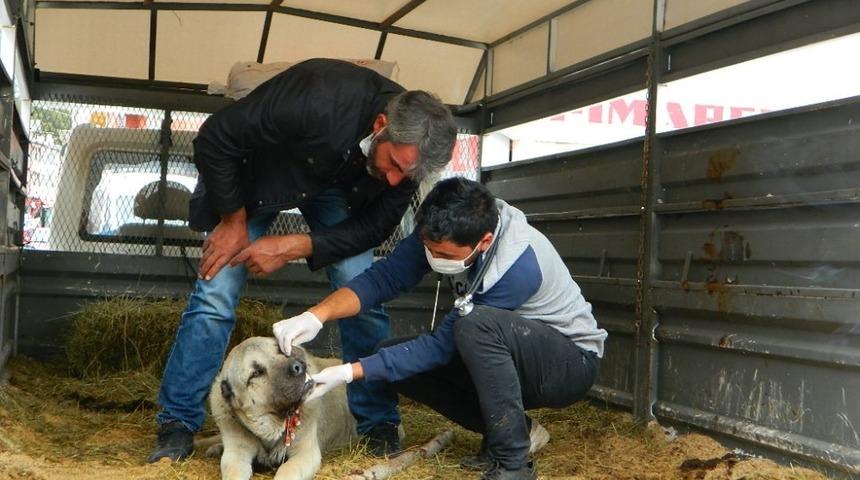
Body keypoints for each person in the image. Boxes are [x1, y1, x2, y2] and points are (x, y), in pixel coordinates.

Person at [148, 58, 458, 463]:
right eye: (395, 166)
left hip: (334, 187)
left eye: (408, 175)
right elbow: (215, 137)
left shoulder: (408, 164)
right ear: (380, 124)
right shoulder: (317, 96)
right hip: (257, 174)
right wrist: (233, 219)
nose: (397, 181)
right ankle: (178, 423)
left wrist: (294, 244)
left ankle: (376, 420)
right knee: (216, 289)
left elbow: (375, 227)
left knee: (360, 286)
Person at [273, 178, 608, 480]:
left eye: (444, 254)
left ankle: (513, 464)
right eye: (429, 249)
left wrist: (347, 372)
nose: (433, 257)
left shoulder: (516, 262)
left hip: (567, 364)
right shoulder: (439, 234)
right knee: (391, 360)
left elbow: (441, 346)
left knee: (473, 326)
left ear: (485, 240)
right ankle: (518, 430)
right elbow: (384, 278)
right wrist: (315, 316)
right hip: (504, 352)